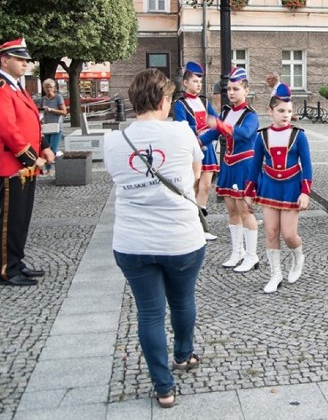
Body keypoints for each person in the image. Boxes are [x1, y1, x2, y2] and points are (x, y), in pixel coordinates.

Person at [104, 68, 206, 408]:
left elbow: (119, 178)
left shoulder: (114, 140)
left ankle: (164, 388)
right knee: (182, 301)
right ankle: (183, 354)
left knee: (149, 314)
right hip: (181, 238)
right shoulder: (181, 131)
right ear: (164, 100)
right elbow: (195, 173)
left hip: (132, 241)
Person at [0, 38, 55, 286]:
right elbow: (8, 130)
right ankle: (7, 270)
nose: (26, 64)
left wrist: (44, 147)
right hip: (11, 165)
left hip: (24, 166)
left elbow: (31, 123)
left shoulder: (16, 87)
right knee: (10, 220)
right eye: (20, 59)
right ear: (5, 60)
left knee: (21, 219)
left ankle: (17, 263)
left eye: (26, 60)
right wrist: (32, 158)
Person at [245, 84, 312, 293]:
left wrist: (305, 191)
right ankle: (275, 274)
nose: (286, 115)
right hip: (270, 187)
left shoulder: (299, 135)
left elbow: (307, 165)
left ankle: (298, 255)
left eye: (289, 111)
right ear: (270, 111)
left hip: (292, 187)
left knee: (289, 234)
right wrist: (249, 191)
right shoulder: (262, 136)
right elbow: (255, 166)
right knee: (271, 231)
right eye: (281, 111)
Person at [200, 67, 261, 271]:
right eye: (228, 89)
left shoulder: (251, 115)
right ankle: (238, 251)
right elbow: (213, 133)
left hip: (245, 166)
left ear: (246, 90)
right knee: (232, 210)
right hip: (228, 164)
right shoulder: (226, 112)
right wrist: (197, 141)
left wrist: (219, 124)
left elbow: (244, 134)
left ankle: (252, 256)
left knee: (245, 210)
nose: (231, 93)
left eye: (235, 88)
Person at [173, 62, 219, 241]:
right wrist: (199, 133)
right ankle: (191, 223)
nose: (198, 84)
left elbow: (216, 121)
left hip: (207, 150)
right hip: (192, 151)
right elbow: (182, 128)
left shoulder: (205, 101)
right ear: (185, 83)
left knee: (206, 186)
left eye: (200, 81)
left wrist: (211, 130)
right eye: (194, 81)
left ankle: (202, 224)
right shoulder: (180, 104)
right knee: (193, 185)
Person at [39, 79, 66, 175]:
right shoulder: (43, 99)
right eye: (46, 87)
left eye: (50, 87)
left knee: (53, 149)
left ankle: (59, 158)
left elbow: (64, 112)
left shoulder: (58, 97)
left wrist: (51, 110)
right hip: (46, 127)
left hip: (56, 127)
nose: (48, 89)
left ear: (54, 88)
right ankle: (49, 169)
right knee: (46, 149)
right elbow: (41, 112)